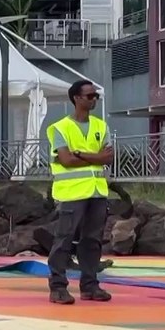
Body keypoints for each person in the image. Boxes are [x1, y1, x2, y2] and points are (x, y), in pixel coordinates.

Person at [47, 80, 114, 305]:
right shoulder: (59, 128)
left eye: (96, 96)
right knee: (64, 239)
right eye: (89, 96)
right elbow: (65, 160)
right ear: (76, 98)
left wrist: (81, 155)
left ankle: (90, 285)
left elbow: (108, 157)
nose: (94, 99)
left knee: (93, 241)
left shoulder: (100, 126)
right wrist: (94, 156)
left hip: (97, 192)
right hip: (71, 194)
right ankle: (57, 287)